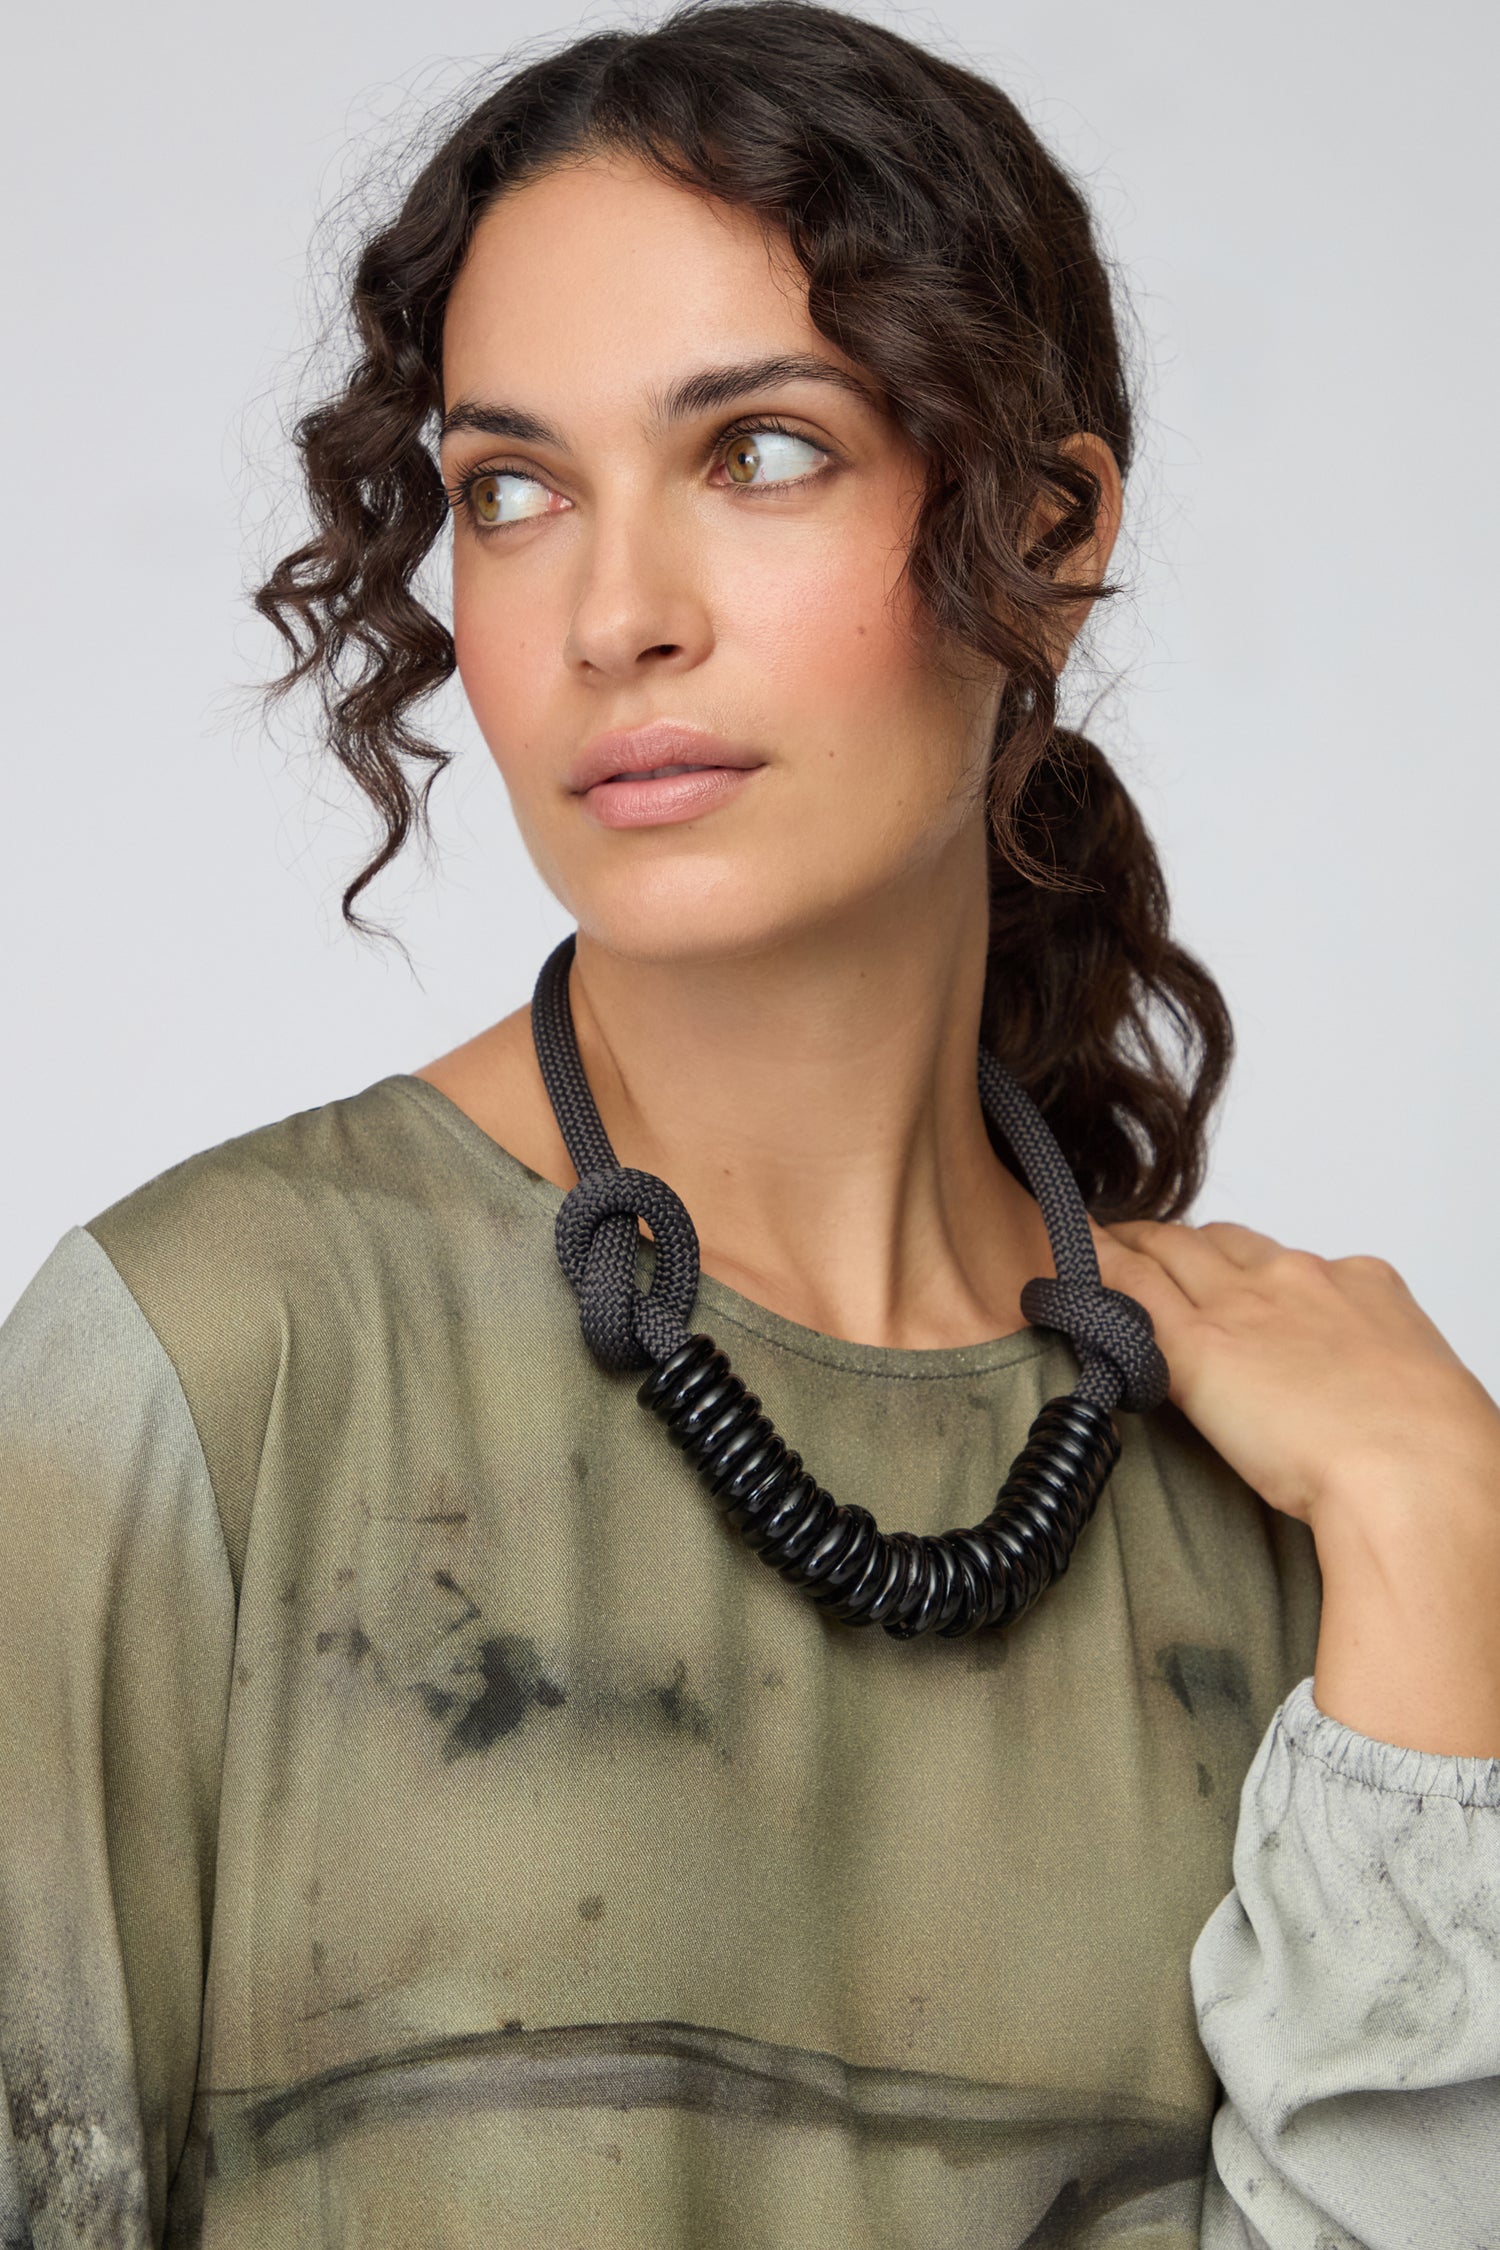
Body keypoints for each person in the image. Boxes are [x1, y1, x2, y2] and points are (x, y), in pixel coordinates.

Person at [1, 3, 1496, 2244]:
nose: (617, 616)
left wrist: (1444, 1540)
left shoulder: (1291, 1505)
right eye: (512, 490)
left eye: (762, 452)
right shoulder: (212, 1365)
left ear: (1051, 528)